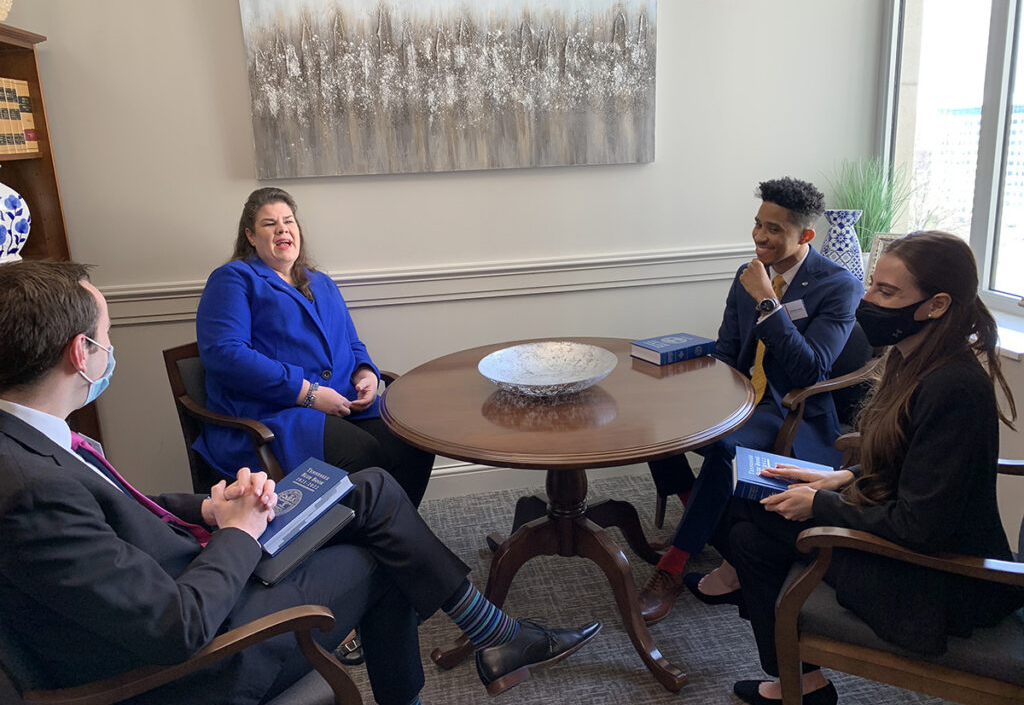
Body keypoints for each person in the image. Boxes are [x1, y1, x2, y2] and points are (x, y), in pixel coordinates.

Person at [0, 261, 600, 705]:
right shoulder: (30, 489)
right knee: (382, 550)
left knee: (370, 490)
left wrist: (207, 509)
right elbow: (176, 626)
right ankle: (488, 643)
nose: (111, 348)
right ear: (80, 353)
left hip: (201, 565)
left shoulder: (32, 441)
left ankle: (495, 636)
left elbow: (116, 510)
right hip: (212, 651)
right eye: (107, 335)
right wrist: (237, 534)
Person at [713, 231, 1023, 705]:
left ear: (937, 305)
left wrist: (821, 504)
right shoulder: (914, 359)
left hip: (941, 580)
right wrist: (841, 477)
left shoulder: (954, 388)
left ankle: (799, 683)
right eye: (872, 284)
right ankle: (801, 683)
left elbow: (920, 526)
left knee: (748, 523)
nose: (867, 299)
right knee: (748, 524)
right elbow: (911, 464)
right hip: (911, 542)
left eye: (887, 292)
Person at [641, 177, 863, 624]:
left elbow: (810, 370)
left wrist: (767, 300)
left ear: (805, 235)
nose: (760, 236)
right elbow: (728, 350)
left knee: (725, 448)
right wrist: (697, 395)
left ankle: (675, 563)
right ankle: (698, 512)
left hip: (786, 408)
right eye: (759, 224)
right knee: (655, 418)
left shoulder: (837, 285)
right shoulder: (747, 274)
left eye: (774, 229)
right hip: (741, 394)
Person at [195, 187, 434, 506]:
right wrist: (307, 393)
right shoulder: (233, 278)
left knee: (416, 437)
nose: (282, 229)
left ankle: (394, 527)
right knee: (362, 454)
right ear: (250, 236)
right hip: (275, 413)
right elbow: (225, 354)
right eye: (269, 223)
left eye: (288, 221)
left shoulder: (322, 282)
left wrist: (365, 372)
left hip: (345, 402)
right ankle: (370, 531)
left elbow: (352, 342)